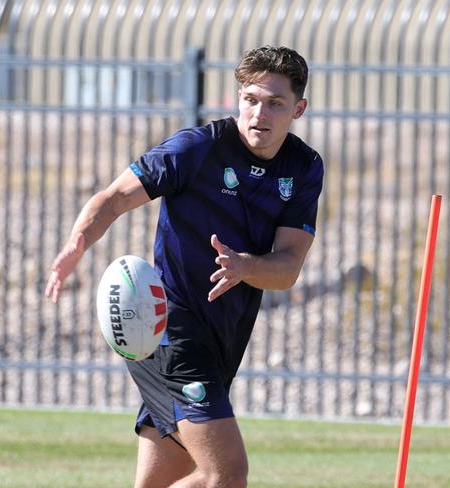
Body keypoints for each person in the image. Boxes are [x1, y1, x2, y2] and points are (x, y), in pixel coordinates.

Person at [45, 45, 324, 488]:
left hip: (222, 338)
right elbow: (115, 197)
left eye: (275, 103)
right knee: (226, 474)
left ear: (299, 109)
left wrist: (245, 266)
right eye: (251, 99)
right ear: (237, 99)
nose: (260, 113)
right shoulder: (198, 148)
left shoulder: (304, 167)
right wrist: (77, 243)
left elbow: (288, 269)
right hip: (167, 328)